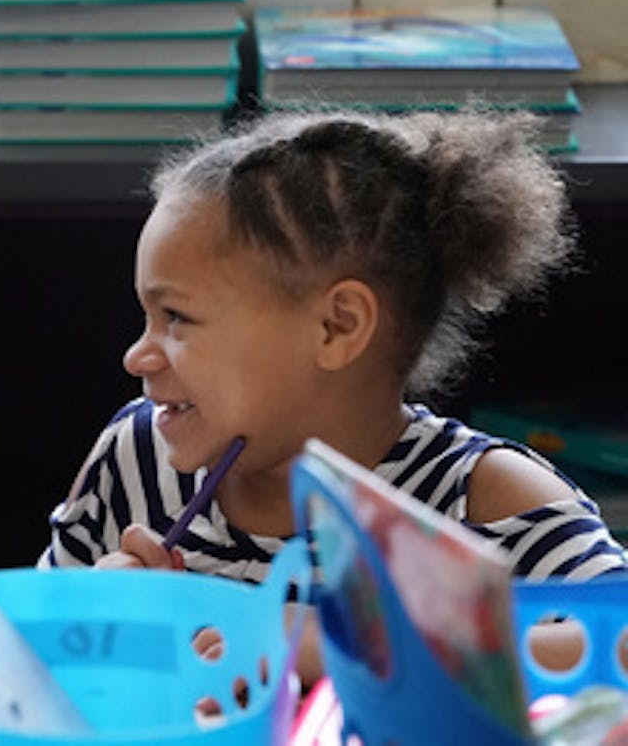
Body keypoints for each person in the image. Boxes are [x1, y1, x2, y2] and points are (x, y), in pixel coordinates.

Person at [40, 109, 627, 672]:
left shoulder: (481, 503)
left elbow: (619, 646)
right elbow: (25, 670)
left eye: (177, 318)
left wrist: (347, 646)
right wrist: (93, 624)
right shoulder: (138, 458)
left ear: (337, 326)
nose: (137, 355)